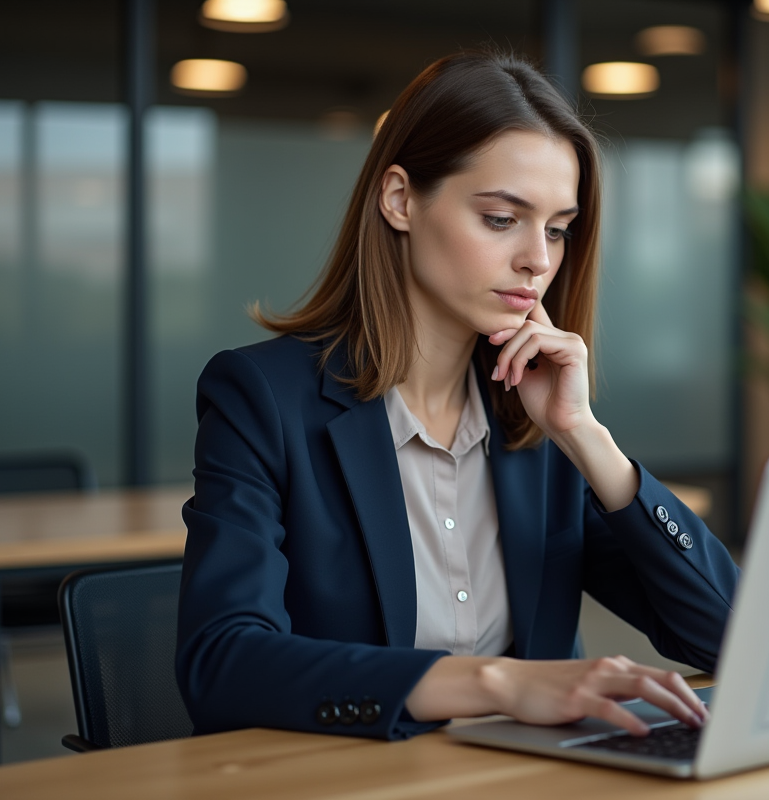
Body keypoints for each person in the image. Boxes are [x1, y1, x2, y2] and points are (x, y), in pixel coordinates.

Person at [176, 51, 740, 743]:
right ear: (400, 200)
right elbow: (221, 664)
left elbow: (730, 639)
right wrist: (494, 681)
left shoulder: (536, 418)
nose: (539, 258)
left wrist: (587, 437)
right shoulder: (263, 398)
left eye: (558, 228)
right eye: (503, 218)